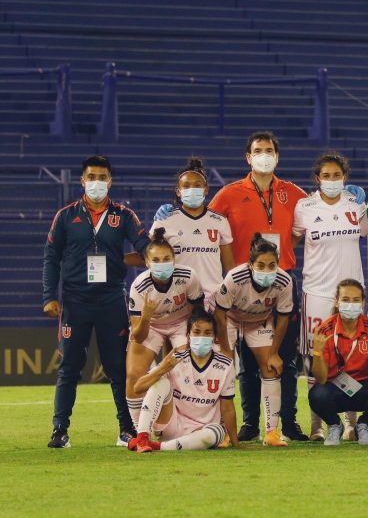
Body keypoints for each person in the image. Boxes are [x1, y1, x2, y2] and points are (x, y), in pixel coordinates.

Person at [43, 154, 150, 448]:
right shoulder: (66, 216)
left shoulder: (124, 216)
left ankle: (126, 428)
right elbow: (51, 258)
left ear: (110, 181)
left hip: (111, 299)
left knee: (117, 367)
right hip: (75, 302)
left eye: (102, 178)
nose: (97, 183)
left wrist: (155, 251)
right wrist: (49, 297)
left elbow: (143, 245)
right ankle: (59, 430)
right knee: (69, 368)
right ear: (82, 180)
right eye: (92, 177)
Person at [208, 131, 308, 442]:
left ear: (277, 157)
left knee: (284, 360)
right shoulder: (228, 193)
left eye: (269, 150)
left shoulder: (294, 193)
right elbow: (207, 224)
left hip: (280, 281)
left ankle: (287, 423)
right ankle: (250, 423)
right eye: (258, 150)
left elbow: (305, 226)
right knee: (246, 363)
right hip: (242, 285)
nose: (264, 155)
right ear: (248, 158)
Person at [292, 151, 368, 440]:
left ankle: (350, 423)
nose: (332, 180)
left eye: (337, 175)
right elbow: (290, 239)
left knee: (353, 358)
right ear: (317, 179)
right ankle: (317, 425)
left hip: (351, 292)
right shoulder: (304, 207)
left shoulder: (355, 203)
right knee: (317, 360)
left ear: (345, 178)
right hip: (317, 292)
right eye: (326, 176)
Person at [213, 234, 294, 447]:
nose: (267, 270)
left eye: (272, 265)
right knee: (223, 370)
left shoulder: (284, 281)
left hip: (259, 321)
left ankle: (271, 433)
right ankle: (222, 432)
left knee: (271, 368)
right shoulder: (234, 278)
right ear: (250, 264)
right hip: (230, 319)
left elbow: (283, 319)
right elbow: (219, 316)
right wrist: (225, 349)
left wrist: (274, 352)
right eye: (261, 265)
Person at [124, 228, 204, 428]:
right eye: (156, 260)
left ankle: (190, 421)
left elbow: (199, 312)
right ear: (147, 263)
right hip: (152, 325)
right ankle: (137, 429)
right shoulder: (139, 287)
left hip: (181, 324)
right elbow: (138, 336)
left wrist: (190, 336)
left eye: (166, 258)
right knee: (134, 373)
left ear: (174, 259)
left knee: (189, 372)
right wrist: (146, 316)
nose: (162, 264)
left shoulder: (188, 276)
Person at [127, 310, 238, 453]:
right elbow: (137, 388)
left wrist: (236, 443)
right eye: (197, 332)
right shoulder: (175, 358)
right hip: (171, 424)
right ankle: (142, 438)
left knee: (218, 432)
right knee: (161, 382)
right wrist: (162, 369)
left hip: (201, 429)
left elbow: (227, 408)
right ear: (188, 336)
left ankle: (157, 447)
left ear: (214, 337)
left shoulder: (225, 365)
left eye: (207, 333)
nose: (201, 337)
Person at [309, 279, 368, 446]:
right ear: (337, 302)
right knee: (316, 394)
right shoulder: (325, 330)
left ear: (363, 302)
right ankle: (335, 425)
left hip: (363, 389)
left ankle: (363, 425)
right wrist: (317, 353)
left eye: (356, 300)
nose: (351, 305)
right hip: (335, 390)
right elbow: (320, 379)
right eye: (346, 300)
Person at [150, 157, 234, 303]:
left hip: (213, 298)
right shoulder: (164, 220)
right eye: (186, 186)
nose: (192, 190)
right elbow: (148, 254)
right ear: (178, 191)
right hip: (178, 298)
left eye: (197, 185)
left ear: (206, 189)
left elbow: (229, 266)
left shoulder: (220, 221)